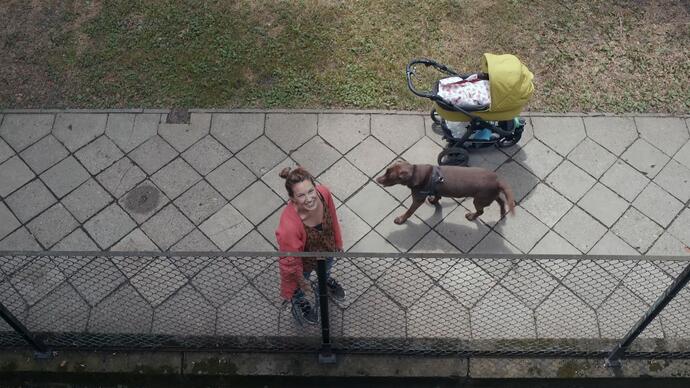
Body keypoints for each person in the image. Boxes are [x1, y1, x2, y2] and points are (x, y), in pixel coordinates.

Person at [275, 166, 346, 325]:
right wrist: (301, 281)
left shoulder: (324, 193)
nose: (309, 199)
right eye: (301, 195)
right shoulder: (289, 226)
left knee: (326, 271)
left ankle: (325, 280)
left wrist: (338, 242)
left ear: (315, 188)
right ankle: (300, 302)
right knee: (299, 289)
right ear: (292, 198)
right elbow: (290, 264)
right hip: (304, 265)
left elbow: (332, 217)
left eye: (310, 191)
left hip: (327, 251)